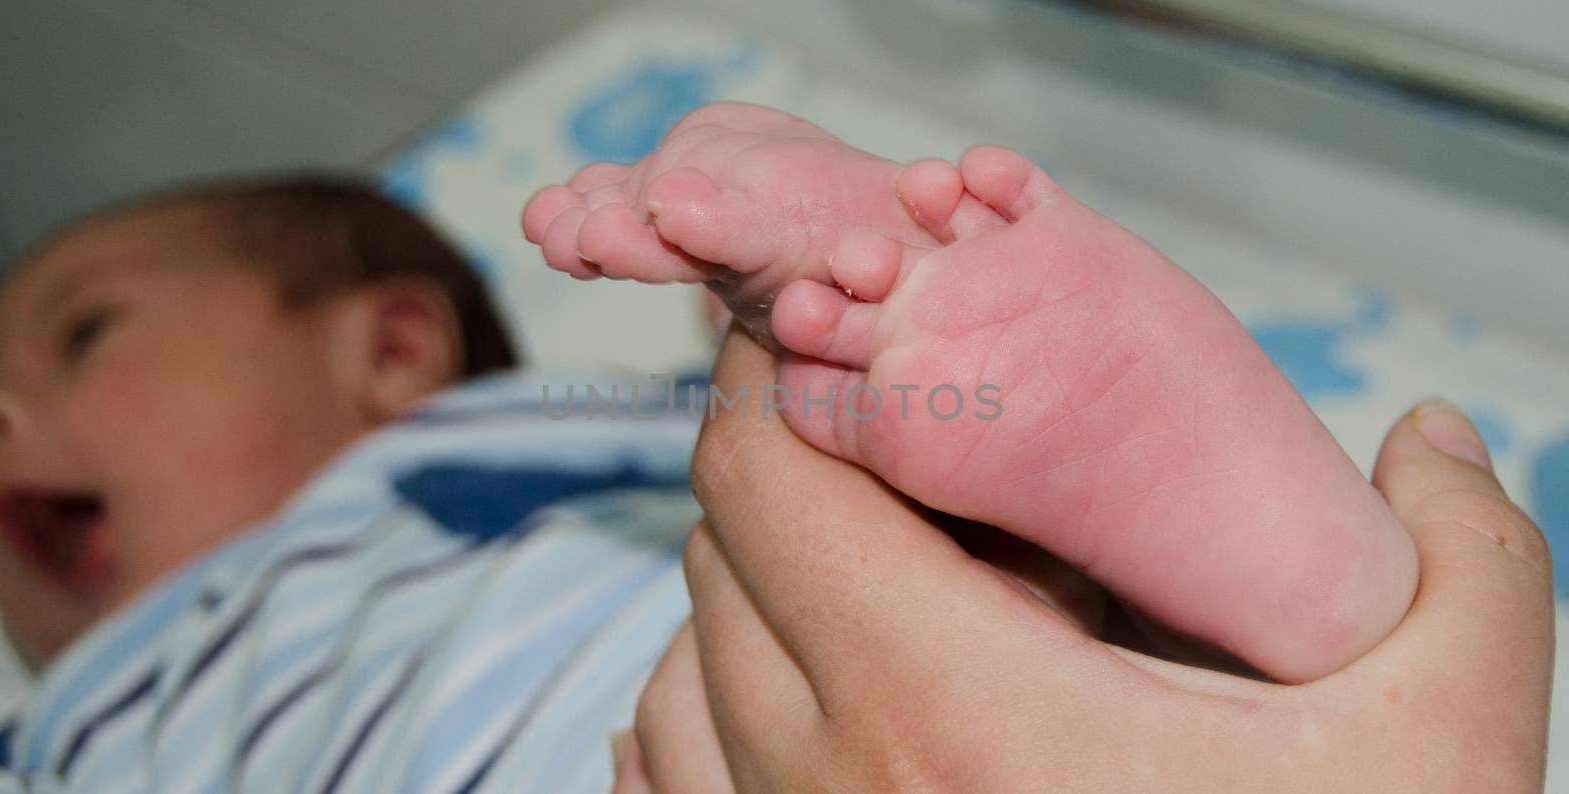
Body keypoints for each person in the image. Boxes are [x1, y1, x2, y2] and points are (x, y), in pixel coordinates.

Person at [525, 102, 1413, 683]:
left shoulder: (480, 436)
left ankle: (861, 312)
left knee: (834, 439)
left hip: (593, 714)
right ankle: (1302, 588)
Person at [0, 177, 702, 791]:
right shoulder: (42, 751)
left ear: (393, 353)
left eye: (84, 336)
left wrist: (768, 318)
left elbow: (738, 444)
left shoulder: (450, 454)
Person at [619, 325, 1554, 792]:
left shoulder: (569, 419)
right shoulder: (534, 425)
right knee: (990, 574)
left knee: (982, 565)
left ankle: (869, 377)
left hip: (652, 694)